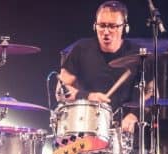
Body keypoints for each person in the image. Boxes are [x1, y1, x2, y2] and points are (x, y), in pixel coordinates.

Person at [57, 0, 144, 134]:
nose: (106, 31)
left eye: (112, 26)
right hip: (85, 128)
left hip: (123, 132)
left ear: (124, 27)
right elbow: (60, 91)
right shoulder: (81, 49)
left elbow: (150, 92)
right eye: (102, 25)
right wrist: (87, 96)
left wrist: (134, 114)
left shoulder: (137, 54)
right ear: (95, 26)